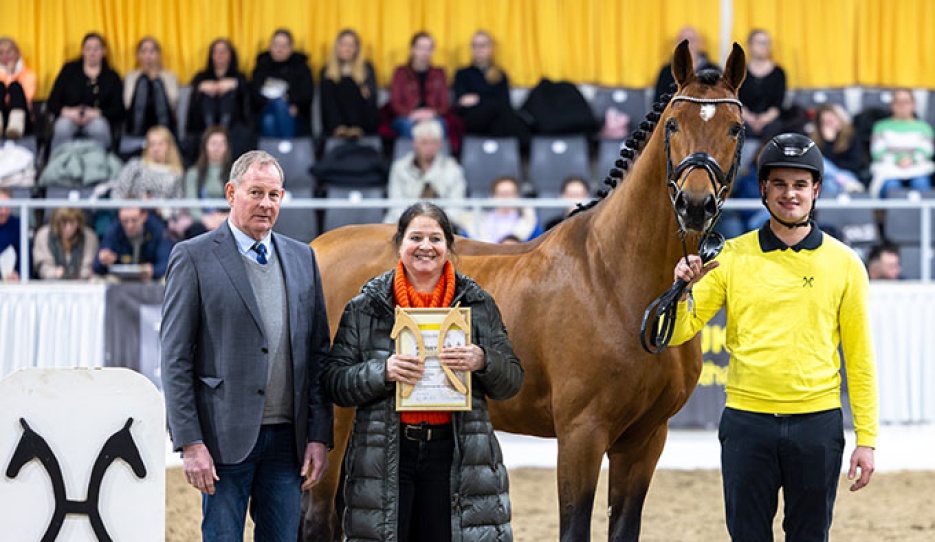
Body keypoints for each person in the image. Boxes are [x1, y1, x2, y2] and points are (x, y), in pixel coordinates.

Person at [670, 133, 878, 541]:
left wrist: (867, 440)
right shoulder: (729, 256)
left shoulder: (846, 264)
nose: (790, 194)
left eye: (800, 184)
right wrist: (681, 289)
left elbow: (860, 358)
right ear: (763, 188)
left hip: (818, 426)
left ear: (816, 189)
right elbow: (680, 330)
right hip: (747, 424)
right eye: (779, 183)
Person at [323, 201, 523, 541]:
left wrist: (483, 361)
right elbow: (335, 382)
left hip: (454, 455)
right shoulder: (365, 306)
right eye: (416, 237)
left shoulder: (478, 303)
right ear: (400, 243)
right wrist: (381, 372)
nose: (426, 247)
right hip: (385, 455)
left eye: (436, 238)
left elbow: (512, 381)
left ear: (448, 246)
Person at [161, 150, 333, 541]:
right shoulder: (192, 256)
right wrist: (190, 442)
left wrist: (319, 436)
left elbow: (318, 354)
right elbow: (174, 360)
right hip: (222, 441)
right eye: (256, 192)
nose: (266, 204)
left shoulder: (303, 258)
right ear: (231, 192)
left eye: (274, 195)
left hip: (288, 443)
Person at [46, 32, 125, 151]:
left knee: (98, 127)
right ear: (83, 51)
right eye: (88, 49)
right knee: (63, 127)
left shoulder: (112, 76)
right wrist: (67, 112)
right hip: (69, 116)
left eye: (96, 49)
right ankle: (59, 164)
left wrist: (97, 113)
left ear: (104, 52)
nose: (92, 53)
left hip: (97, 118)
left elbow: (119, 109)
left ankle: (98, 164)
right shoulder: (69, 71)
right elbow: (52, 102)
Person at [453, 30, 530, 148]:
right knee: (501, 115)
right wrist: (489, 99)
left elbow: (505, 102)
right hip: (473, 118)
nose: (478, 50)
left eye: (482, 46)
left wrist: (478, 98)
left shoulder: (500, 74)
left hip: (497, 118)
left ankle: (505, 156)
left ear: (490, 48)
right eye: (475, 46)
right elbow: (462, 101)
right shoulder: (462, 74)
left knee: (506, 118)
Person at [384, 119, 465, 224]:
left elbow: (457, 204)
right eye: (424, 143)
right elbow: (395, 203)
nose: (429, 147)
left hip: (445, 224)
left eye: (433, 143)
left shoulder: (453, 168)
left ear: (440, 144)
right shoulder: (400, 168)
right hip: (404, 221)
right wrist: (412, 223)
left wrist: (438, 223)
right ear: (415, 143)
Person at [186, 38, 252, 159]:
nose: (220, 55)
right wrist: (202, 87)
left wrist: (235, 84)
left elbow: (247, 103)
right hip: (203, 126)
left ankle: (223, 133)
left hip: (233, 128)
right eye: (216, 52)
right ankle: (211, 133)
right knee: (207, 97)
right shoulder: (201, 77)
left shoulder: (239, 77)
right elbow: (193, 104)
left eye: (223, 52)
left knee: (228, 97)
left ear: (231, 55)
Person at [869, 88, 934, 198]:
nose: (902, 106)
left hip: (917, 168)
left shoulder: (924, 127)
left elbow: (927, 151)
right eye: (897, 102)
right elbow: (877, 151)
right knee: (891, 185)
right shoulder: (880, 126)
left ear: (913, 104)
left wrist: (911, 159)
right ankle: (891, 215)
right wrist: (897, 160)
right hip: (889, 168)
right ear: (892, 105)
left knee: (921, 183)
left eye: (906, 102)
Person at [250, 29, 314, 138]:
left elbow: (306, 94)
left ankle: (276, 152)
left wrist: (294, 104)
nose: (279, 50)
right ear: (270, 46)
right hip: (264, 108)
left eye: (284, 46)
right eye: (276, 45)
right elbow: (254, 94)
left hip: (294, 114)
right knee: (277, 105)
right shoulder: (262, 66)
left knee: (269, 121)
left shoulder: (301, 67)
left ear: (291, 48)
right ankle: (286, 148)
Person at [319, 28, 379, 138]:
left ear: (357, 49)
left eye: (351, 46)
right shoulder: (326, 70)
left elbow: (372, 100)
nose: (347, 49)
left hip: (362, 121)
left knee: (352, 85)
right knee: (330, 85)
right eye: (343, 45)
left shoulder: (367, 68)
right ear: (337, 47)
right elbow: (326, 104)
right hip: (334, 122)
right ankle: (339, 128)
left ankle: (356, 128)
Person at [389, 32, 450, 140]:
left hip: (432, 116)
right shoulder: (400, 73)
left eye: (429, 49)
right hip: (407, 117)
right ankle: (412, 156)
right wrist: (412, 114)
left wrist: (432, 113)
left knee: (440, 125)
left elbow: (445, 104)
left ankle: (439, 157)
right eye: (421, 48)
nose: (425, 52)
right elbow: (395, 103)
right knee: (409, 126)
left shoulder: (439, 74)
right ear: (412, 50)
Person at [93, 206, 174, 280]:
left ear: (144, 216)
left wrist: (153, 270)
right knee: (98, 280)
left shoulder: (157, 229)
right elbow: (96, 266)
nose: (129, 225)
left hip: (149, 278)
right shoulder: (114, 229)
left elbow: (167, 264)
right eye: (125, 221)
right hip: (121, 278)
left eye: (134, 220)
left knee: (164, 280)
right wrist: (103, 261)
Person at [123, 37, 180, 137]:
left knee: (157, 84)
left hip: (164, 121)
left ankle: (163, 137)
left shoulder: (169, 76)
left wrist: (157, 81)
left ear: (159, 55)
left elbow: (173, 102)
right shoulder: (131, 77)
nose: (148, 56)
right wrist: (143, 78)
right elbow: (128, 103)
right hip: (137, 122)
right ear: (138, 55)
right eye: (144, 51)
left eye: (152, 51)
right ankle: (137, 136)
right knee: (143, 83)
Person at [181, 126, 232, 237]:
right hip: (201, 223)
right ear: (205, 146)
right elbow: (191, 203)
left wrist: (224, 218)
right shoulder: (193, 173)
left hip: (229, 221)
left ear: (227, 147)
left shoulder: (235, 173)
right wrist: (205, 219)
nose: (217, 148)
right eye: (213, 144)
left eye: (221, 144)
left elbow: (239, 204)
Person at [459, 175, 541, 243]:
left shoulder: (531, 226)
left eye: (510, 194)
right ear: (492, 197)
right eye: (501, 194)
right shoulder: (474, 225)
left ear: (517, 196)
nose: (505, 198)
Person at [112, 125, 184, 199]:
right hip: (135, 208)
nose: (156, 149)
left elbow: (178, 203)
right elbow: (118, 193)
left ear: (169, 146)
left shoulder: (176, 173)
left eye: (160, 144)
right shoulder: (136, 166)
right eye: (152, 144)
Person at [809, 103, 867, 195]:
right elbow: (816, 168)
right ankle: (841, 179)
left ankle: (840, 179)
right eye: (825, 122)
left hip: (848, 174)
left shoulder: (851, 136)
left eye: (831, 121)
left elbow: (856, 163)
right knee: (822, 164)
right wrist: (828, 142)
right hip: (826, 179)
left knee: (830, 183)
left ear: (839, 120)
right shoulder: (815, 140)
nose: (829, 125)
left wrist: (837, 171)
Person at [739, 29, 786, 140]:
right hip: (745, 118)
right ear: (750, 45)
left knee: (775, 130)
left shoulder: (778, 72)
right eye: (760, 43)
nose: (763, 46)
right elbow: (737, 99)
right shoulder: (740, 71)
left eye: (766, 43)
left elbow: (778, 103)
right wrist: (750, 119)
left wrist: (763, 120)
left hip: (770, 120)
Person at [653, 26, 718, 103]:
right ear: (676, 44)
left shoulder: (714, 71)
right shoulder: (666, 72)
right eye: (682, 40)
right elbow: (659, 103)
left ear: (700, 43)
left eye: (692, 40)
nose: (687, 44)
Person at [33, 207, 99, 280]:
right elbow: (43, 267)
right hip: (50, 285)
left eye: (72, 222)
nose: (68, 228)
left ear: (78, 222)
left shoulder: (89, 237)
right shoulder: (43, 235)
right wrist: (54, 273)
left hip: (82, 284)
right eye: (64, 222)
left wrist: (76, 274)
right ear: (56, 222)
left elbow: (88, 266)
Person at [0, 37, 36, 139]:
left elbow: (27, 98)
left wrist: (11, 75)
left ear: (17, 53)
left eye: (9, 51)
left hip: (22, 117)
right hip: (2, 114)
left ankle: (15, 128)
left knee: (15, 86)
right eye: (1, 52)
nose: (5, 56)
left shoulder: (29, 75)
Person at [0, 187, 21, 280]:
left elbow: (25, 258)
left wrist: (19, 275)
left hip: (11, 283)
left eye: (7, 207)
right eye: (0, 207)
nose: (3, 212)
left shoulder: (18, 225)